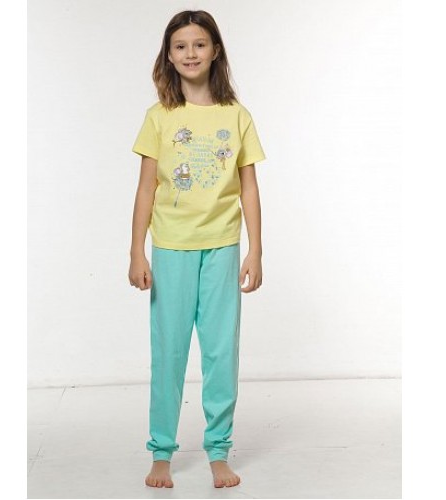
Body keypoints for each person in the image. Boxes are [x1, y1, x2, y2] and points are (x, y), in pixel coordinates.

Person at [128, 9, 266, 489]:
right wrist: (137, 251)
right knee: (168, 353)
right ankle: (161, 453)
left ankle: (218, 450)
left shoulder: (237, 116)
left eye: (199, 44)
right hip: (171, 249)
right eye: (181, 45)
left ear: (215, 51)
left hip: (223, 248)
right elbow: (146, 188)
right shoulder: (159, 117)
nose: (191, 53)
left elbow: (249, 188)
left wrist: (255, 250)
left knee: (221, 353)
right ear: (169, 55)